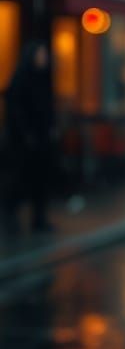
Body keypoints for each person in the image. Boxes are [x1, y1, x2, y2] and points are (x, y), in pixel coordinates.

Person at [2, 39, 57, 233]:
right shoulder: (21, 79)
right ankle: (11, 211)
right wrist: (26, 134)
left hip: (42, 140)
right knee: (21, 178)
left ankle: (39, 218)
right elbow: (15, 109)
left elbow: (48, 108)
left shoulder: (43, 79)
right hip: (24, 142)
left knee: (40, 181)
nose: (44, 59)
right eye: (41, 54)